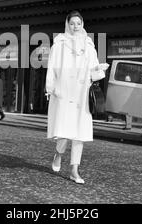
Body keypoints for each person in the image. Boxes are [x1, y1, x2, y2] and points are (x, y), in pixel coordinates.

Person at [46, 11, 108, 184]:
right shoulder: (59, 44)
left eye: (78, 23)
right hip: (64, 91)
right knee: (64, 133)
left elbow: (94, 69)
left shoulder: (89, 45)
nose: (75, 27)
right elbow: (51, 68)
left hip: (81, 92)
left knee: (79, 133)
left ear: (82, 24)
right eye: (72, 23)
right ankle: (58, 153)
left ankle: (74, 169)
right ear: (67, 24)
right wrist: (52, 87)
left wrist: (98, 69)